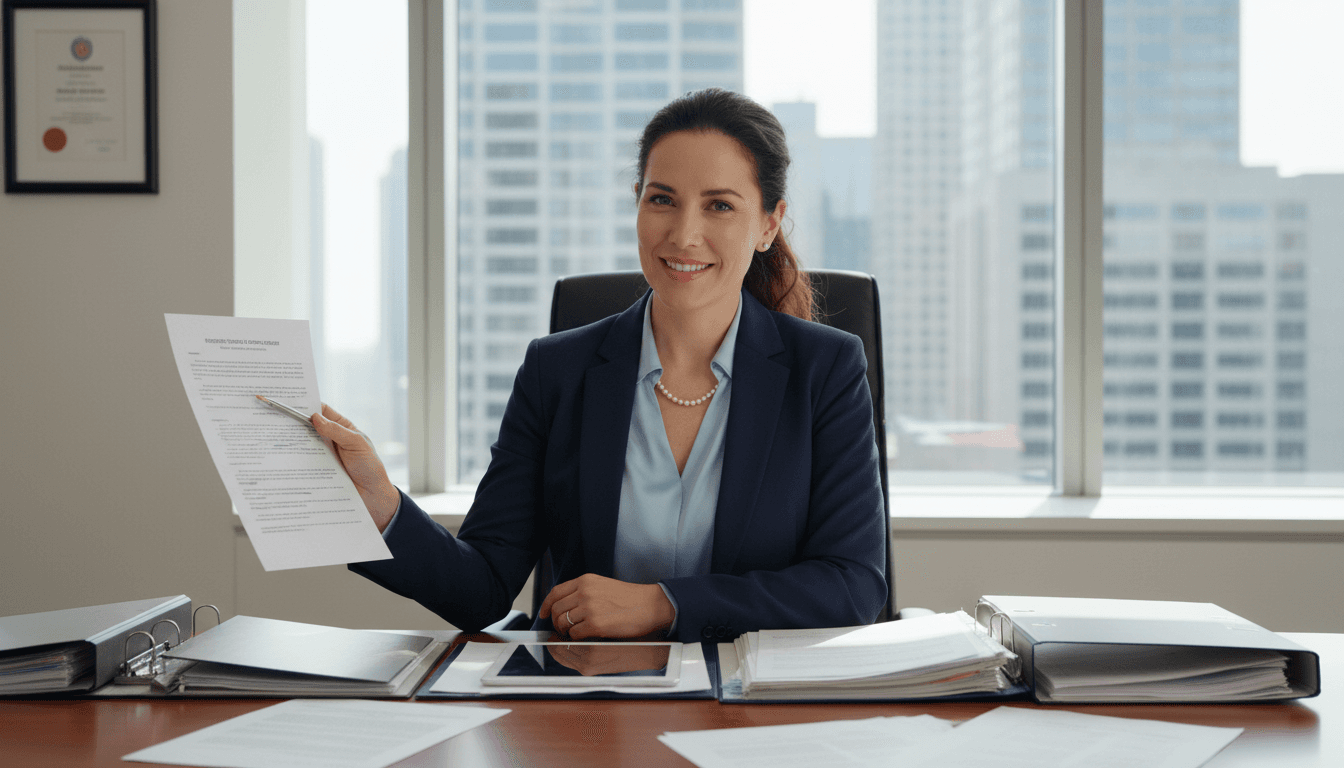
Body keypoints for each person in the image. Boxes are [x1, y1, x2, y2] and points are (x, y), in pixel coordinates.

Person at [313, 88, 887, 643]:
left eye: (719, 205)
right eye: (662, 198)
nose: (685, 234)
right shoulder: (556, 372)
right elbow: (480, 588)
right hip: (586, 709)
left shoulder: (825, 370)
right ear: (637, 201)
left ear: (768, 223)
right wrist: (381, 504)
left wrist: (663, 604)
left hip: (749, 709)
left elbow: (854, 586)